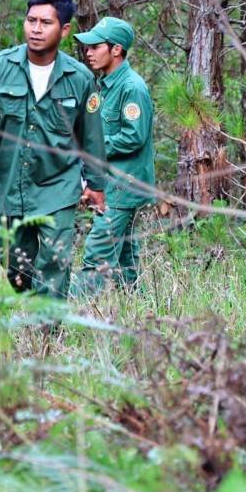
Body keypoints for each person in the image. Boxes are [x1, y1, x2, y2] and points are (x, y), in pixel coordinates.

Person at [0, 0, 107, 299]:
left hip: (58, 188)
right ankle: (30, 303)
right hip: (9, 186)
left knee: (55, 259)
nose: (36, 29)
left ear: (64, 30)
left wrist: (95, 184)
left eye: (46, 23)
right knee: (16, 267)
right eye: (31, 21)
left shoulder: (80, 78)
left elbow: (92, 137)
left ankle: (46, 331)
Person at [71, 17, 155, 295]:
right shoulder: (104, 84)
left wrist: (93, 144)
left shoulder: (132, 87)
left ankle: (70, 319)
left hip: (123, 187)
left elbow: (134, 136)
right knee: (125, 261)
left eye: (96, 46)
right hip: (111, 185)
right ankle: (140, 313)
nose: (89, 52)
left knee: (96, 257)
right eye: (88, 47)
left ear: (116, 49)